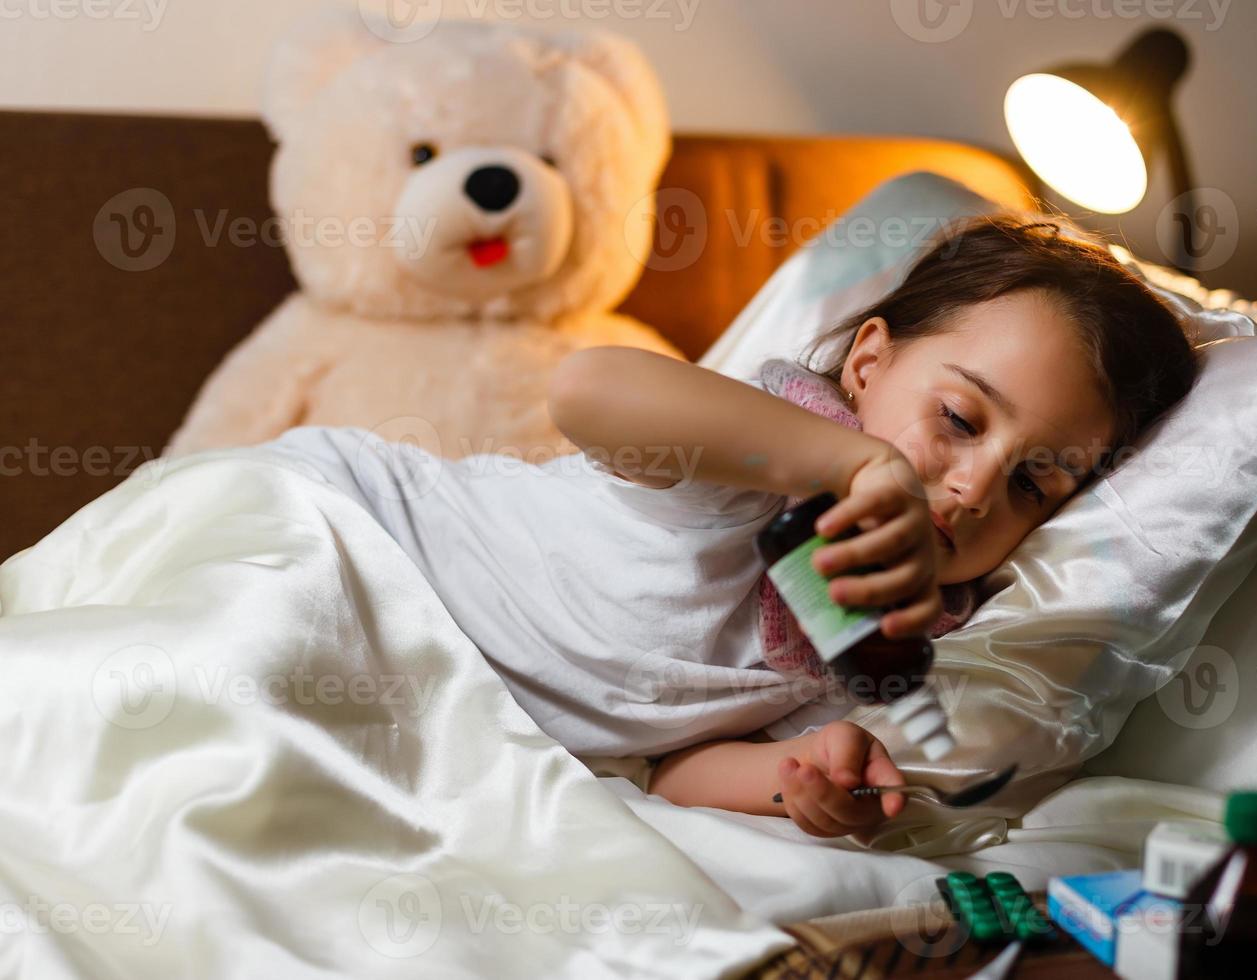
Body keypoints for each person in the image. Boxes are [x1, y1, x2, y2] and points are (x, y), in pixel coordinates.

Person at [259, 213, 1199, 840]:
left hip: (417, 700)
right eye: (957, 421)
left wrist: (801, 775)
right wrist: (845, 462)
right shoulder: (763, 456)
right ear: (868, 365)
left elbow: (670, 772)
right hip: (338, 540)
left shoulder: (883, 627)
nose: (972, 490)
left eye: (1035, 485)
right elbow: (587, 390)